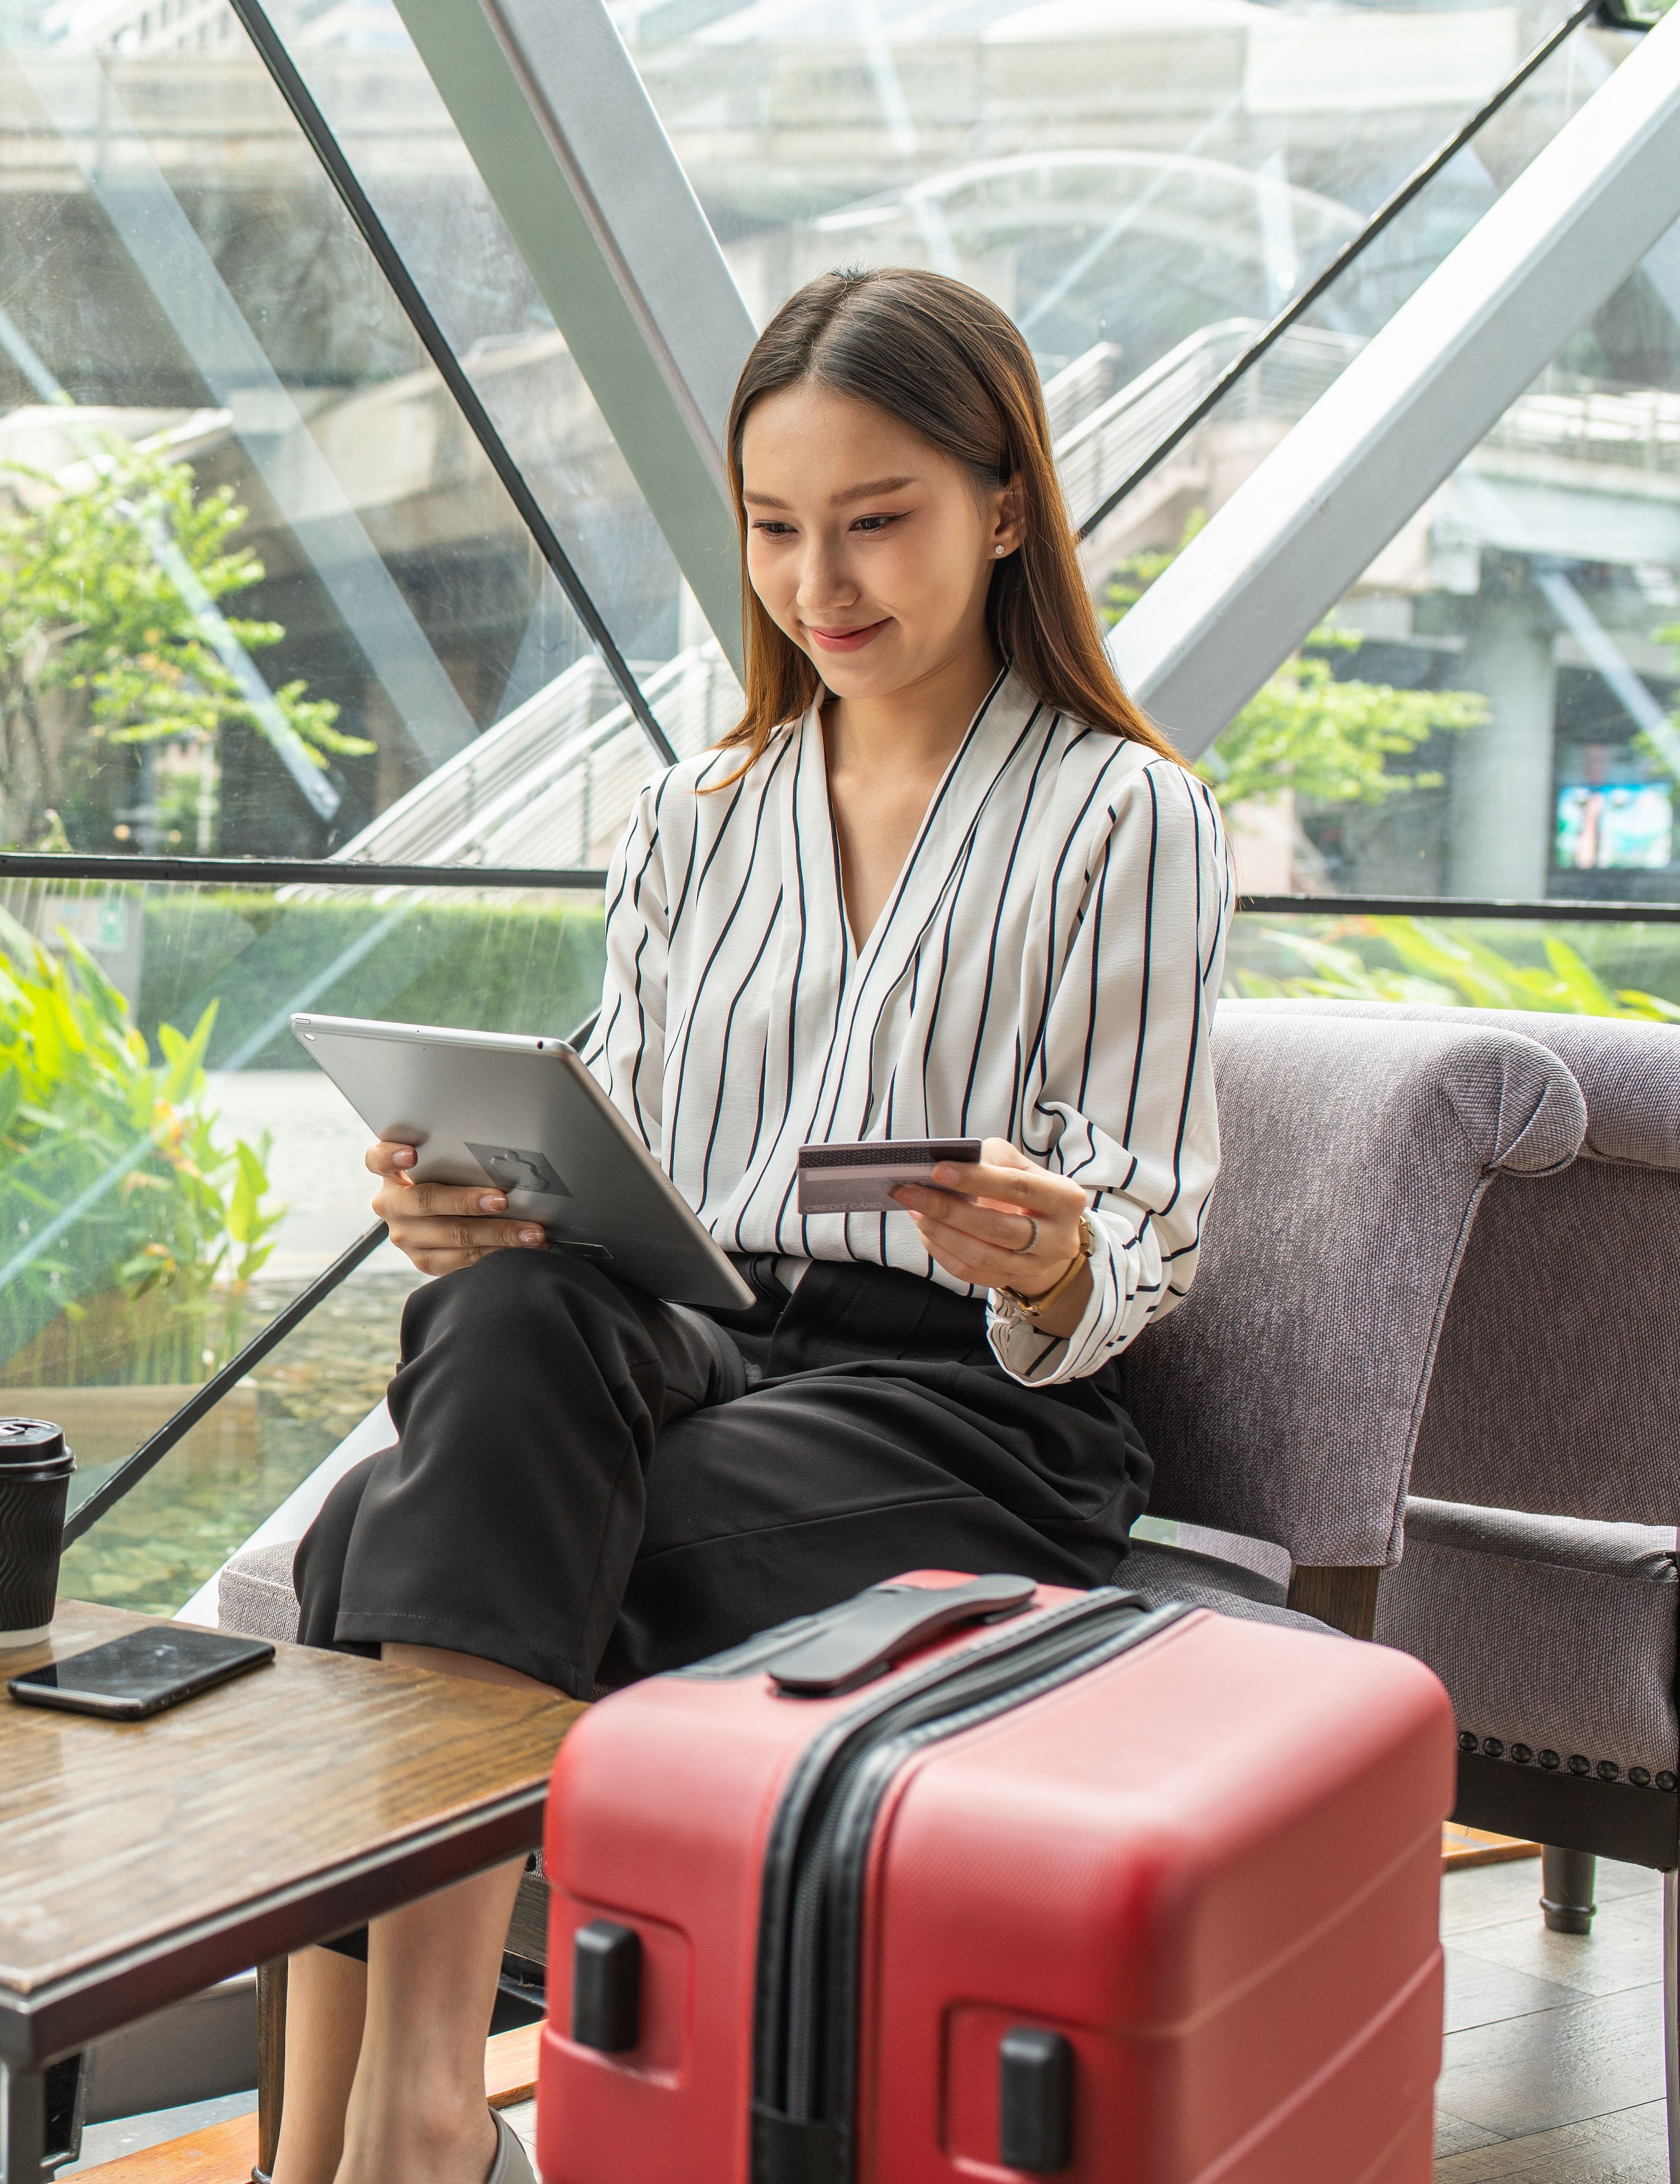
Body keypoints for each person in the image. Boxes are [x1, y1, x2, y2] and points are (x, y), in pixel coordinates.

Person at [275, 267, 1230, 2184]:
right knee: (506, 1325)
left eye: (878, 521)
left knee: (377, 1543)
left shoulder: (1127, 815)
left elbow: (1146, 1226)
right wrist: (478, 1200)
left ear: (1008, 506)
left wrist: (1045, 1246)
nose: (824, 581)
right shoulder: (698, 815)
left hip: (958, 1401)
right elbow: (618, 1120)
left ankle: (364, 2137)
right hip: (690, 1331)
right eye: (778, 530)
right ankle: (401, 2125)